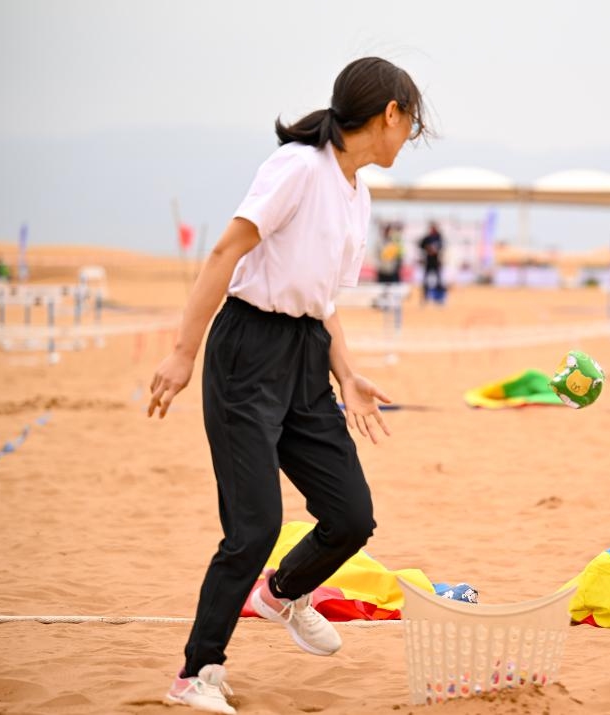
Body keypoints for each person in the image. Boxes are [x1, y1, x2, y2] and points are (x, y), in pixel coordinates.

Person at [147, 57, 428, 714]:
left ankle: (281, 592)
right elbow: (225, 252)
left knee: (351, 514)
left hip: (304, 355)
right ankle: (195, 673)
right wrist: (183, 354)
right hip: (246, 348)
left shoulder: (358, 193)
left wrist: (348, 374)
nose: (408, 137)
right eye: (409, 123)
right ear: (390, 113)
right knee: (253, 525)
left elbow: (323, 301)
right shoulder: (298, 167)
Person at [419, 221, 445, 303]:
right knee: (426, 280)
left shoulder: (439, 237)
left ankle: (439, 297)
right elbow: (421, 245)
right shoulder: (427, 238)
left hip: (436, 261)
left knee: (438, 280)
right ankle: (425, 297)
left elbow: (441, 247)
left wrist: (435, 250)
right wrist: (428, 248)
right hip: (428, 261)